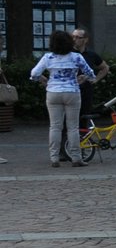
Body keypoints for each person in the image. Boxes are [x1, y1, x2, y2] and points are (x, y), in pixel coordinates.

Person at [29, 29, 94, 167]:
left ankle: (54, 158)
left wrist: (42, 79)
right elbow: (91, 73)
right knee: (73, 127)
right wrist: (83, 78)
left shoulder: (48, 57)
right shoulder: (76, 57)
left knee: (55, 127)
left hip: (53, 92)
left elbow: (34, 73)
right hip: (72, 92)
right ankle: (76, 157)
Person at [71, 28, 108, 106]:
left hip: (86, 92)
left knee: (85, 114)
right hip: (71, 91)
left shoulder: (91, 54)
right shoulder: (68, 53)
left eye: (78, 37)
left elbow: (105, 67)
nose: (74, 39)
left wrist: (96, 79)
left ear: (85, 40)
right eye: (73, 37)